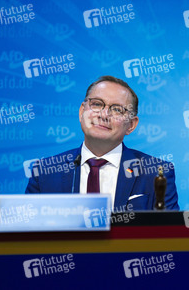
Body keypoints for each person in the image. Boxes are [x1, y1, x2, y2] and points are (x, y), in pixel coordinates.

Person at [25, 75, 179, 211]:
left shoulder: (155, 173)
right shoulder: (46, 171)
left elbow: (169, 236)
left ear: (131, 125)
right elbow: (27, 234)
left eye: (117, 109)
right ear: (81, 111)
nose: (104, 115)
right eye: (97, 104)